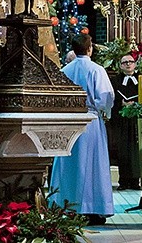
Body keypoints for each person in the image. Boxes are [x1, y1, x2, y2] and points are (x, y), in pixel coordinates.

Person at [49, 34, 115, 226]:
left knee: (70, 166)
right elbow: (105, 96)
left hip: (68, 122)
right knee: (93, 164)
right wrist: (105, 112)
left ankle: (68, 207)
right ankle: (93, 209)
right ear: (90, 49)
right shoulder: (96, 70)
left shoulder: (64, 70)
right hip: (90, 121)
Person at [109, 53, 141, 191]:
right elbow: (110, 97)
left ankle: (135, 181)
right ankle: (124, 181)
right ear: (120, 66)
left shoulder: (140, 80)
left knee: (135, 151)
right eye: (124, 62)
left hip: (136, 120)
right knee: (123, 151)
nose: (128, 64)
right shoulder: (115, 81)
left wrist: (136, 104)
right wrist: (120, 103)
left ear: (135, 64)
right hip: (121, 120)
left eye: (130, 61)